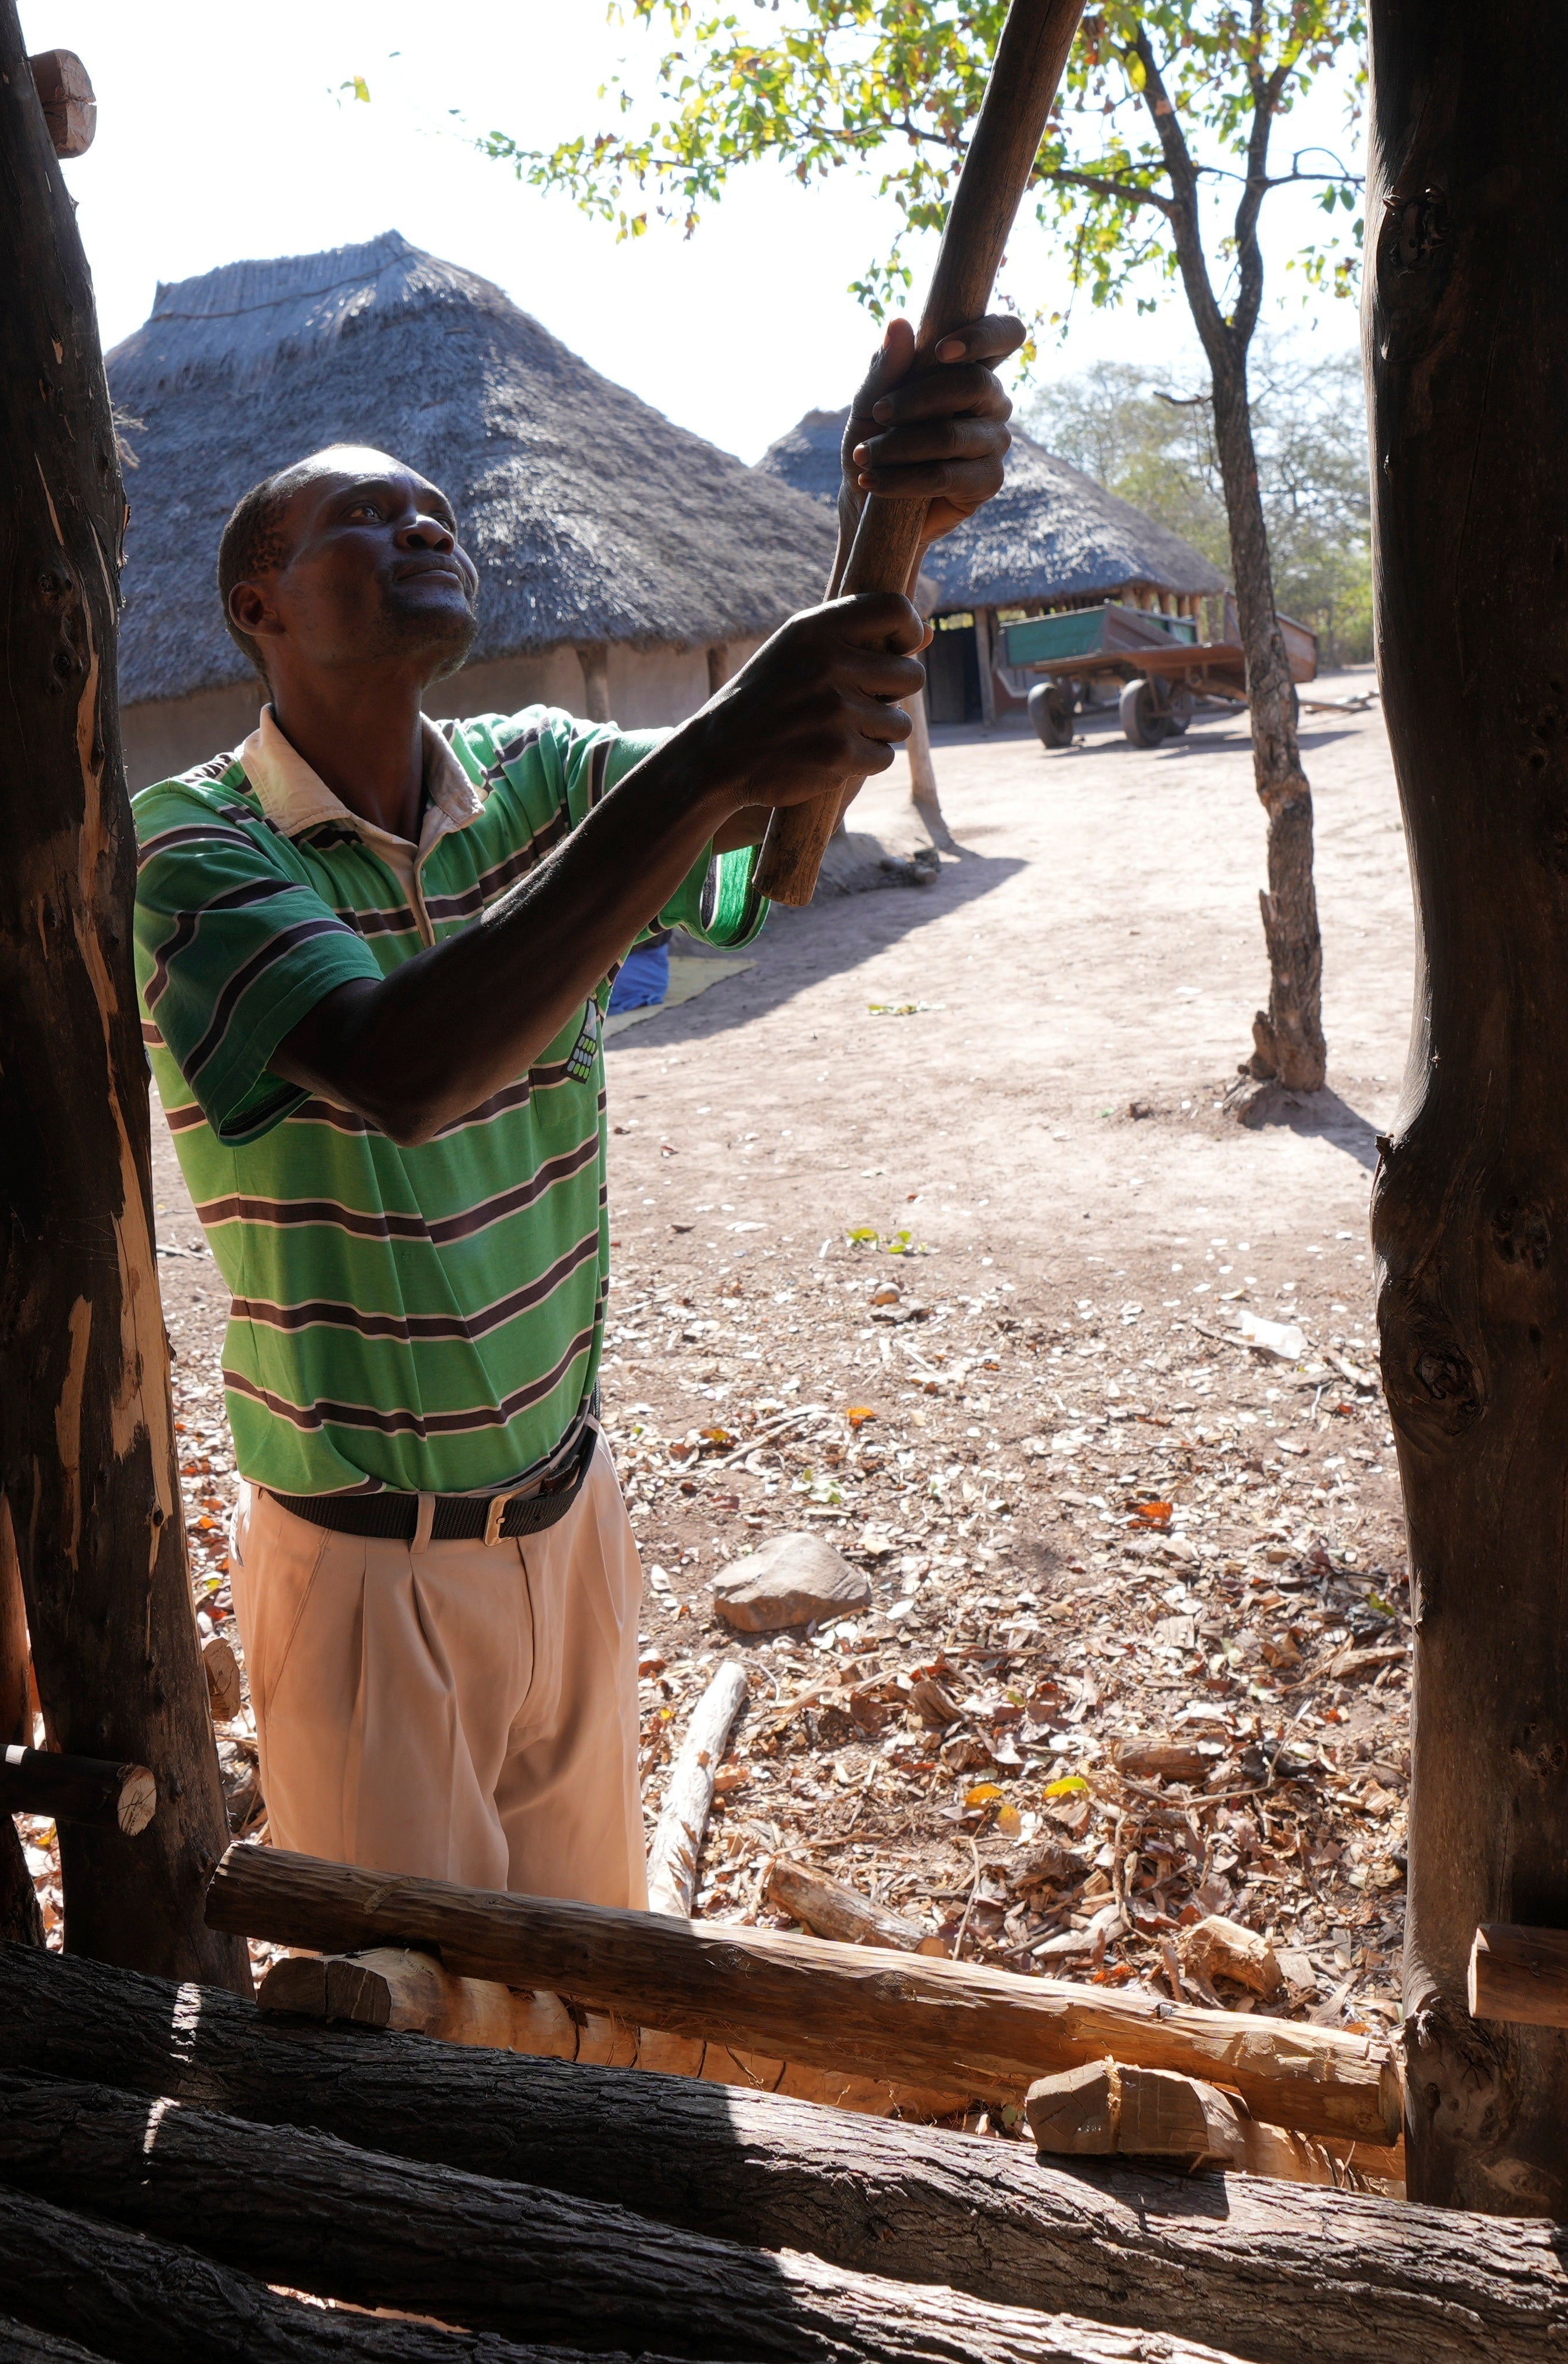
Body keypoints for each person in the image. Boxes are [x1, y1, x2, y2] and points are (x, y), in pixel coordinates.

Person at [133, 314, 1025, 1903]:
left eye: (440, 516)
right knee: (410, 2058)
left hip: (570, 1514)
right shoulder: (195, 853)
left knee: (585, 1982)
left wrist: (884, 525)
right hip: (359, 1570)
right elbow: (405, 1065)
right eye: (367, 517)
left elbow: (777, 845)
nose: (424, 527)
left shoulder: (538, 771)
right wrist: (707, 767)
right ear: (256, 608)